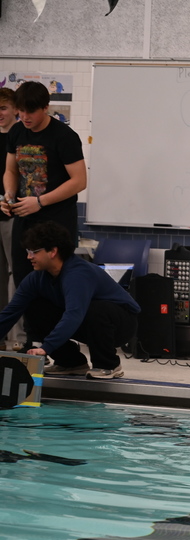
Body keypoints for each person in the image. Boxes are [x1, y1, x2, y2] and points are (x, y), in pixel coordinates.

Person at [0, 221, 140, 379]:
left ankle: (109, 365)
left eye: (34, 252)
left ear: (53, 251)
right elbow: (11, 312)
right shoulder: (36, 278)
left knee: (96, 309)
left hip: (121, 323)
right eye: (28, 251)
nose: (29, 256)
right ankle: (71, 362)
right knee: (34, 306)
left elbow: (74, 314)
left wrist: (46, 348)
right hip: (86, 321)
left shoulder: (78, 274)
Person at [1, 81, 87, 289]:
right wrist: (9, 196)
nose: (25, 117)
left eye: (31, 111)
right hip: (24, 220)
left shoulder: (65, 137)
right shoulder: (17, 132)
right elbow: (11, 170)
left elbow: (79, 181)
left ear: (46, 107)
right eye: (21, 111)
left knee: (56, 283)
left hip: (56, 222)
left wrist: (40, 202)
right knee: (23, 280)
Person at [0, 87, 25, 352]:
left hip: (13, 213)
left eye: (4, 108)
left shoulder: (20, 137)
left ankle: (15, 336)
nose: (0, 114)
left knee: (14, 275)